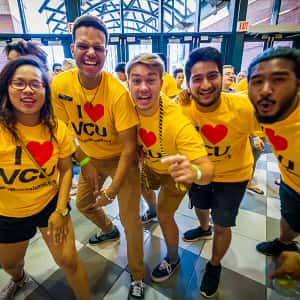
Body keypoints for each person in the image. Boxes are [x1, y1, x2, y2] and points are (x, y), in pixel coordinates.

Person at [51, 15, 144, 298]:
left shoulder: (117, 92)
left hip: (121, 161)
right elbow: (62, 130)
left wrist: (113, 189)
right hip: (90, 157)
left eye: (98, 47)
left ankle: (138, 276)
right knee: (84, 204)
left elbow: (130, 148)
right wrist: (86, 161)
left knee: (132, 221)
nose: (91, 53)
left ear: (106, 51)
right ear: (72, 50)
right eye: (83, 46)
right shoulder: (60, 86)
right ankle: (108, 228)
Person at [0, 57, 89, 300]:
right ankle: (19, 279)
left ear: (45, 91)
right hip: (7, 214)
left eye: (35, 84)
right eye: (18, 83)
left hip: (49, 204)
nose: (27, 90)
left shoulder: (57, 127)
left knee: (69, 261)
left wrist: (60, 210)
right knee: (9, 264)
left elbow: (68, 166)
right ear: (6, 88)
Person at [177, 47, 262, 298]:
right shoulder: (181, 107)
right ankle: (204, 229)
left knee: (223, 225)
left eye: (212, 76)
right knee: (201, 206)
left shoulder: (242, 106)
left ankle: (214, 264)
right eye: (197, 78)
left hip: (234, 176)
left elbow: (278, 124)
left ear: (223, 77)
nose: (205, 85)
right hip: (199, 173)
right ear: (188, 81)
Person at [126, 53, 213, 283]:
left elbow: (206, 167)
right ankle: (151, 209)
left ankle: (173, 259)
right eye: (136, 80)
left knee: (165, 216)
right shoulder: (127, 108)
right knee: (145, 188)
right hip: (150, 165)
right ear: (128, 83)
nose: (143, 88)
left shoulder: (177, 121)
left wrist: (194, 172)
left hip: (175, 173)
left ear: (162, 83)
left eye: (151, 80)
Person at [247, 47, 300, 257]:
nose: (266, 89)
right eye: (258, 81)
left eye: (278, 79)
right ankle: (284, 242)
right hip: (290, 182)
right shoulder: (259, 107)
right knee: (288, 216)